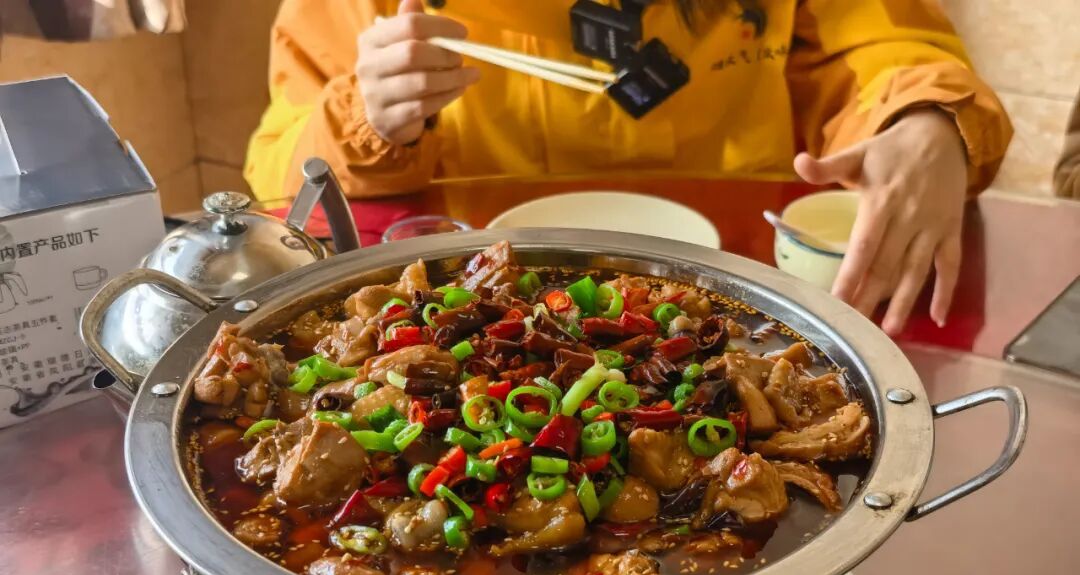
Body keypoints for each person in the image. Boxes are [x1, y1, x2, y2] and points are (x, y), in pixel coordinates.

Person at [245, 0, 1012, 335]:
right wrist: (367, 116)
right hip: (477, 313)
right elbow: (283, 177)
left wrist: (926, 118)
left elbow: (880, 47)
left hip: (739, 304)